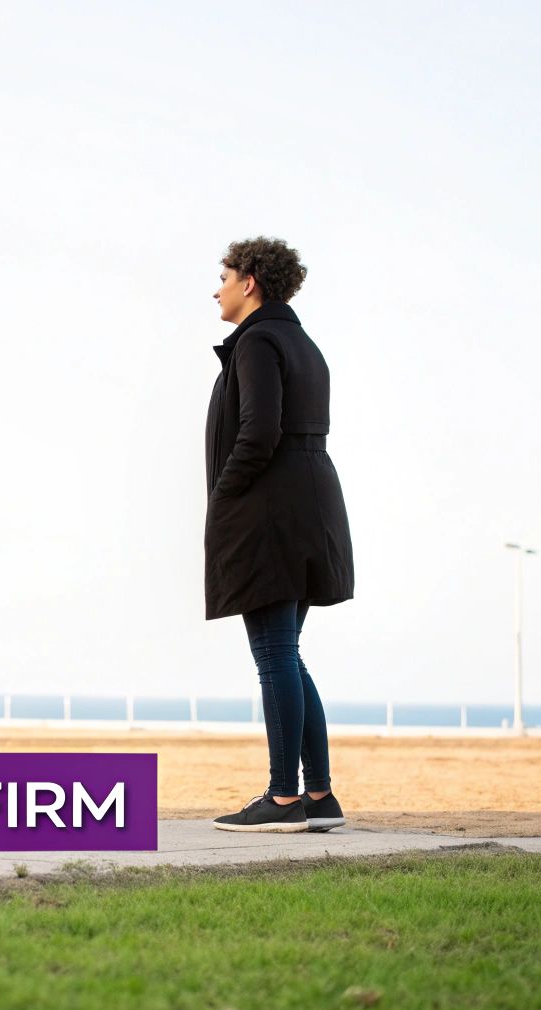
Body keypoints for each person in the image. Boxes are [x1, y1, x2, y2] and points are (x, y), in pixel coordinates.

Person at [204, 238, 354, 834]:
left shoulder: (259, 341)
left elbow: (258, 432)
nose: (216, 289)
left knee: (273, 655)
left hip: (270, 512)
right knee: (286, 654)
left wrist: (223, 496)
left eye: (223, 276)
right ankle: (319, 795)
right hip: (309, 505)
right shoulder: (303, 343)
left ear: (251, 283)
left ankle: (284, 798)